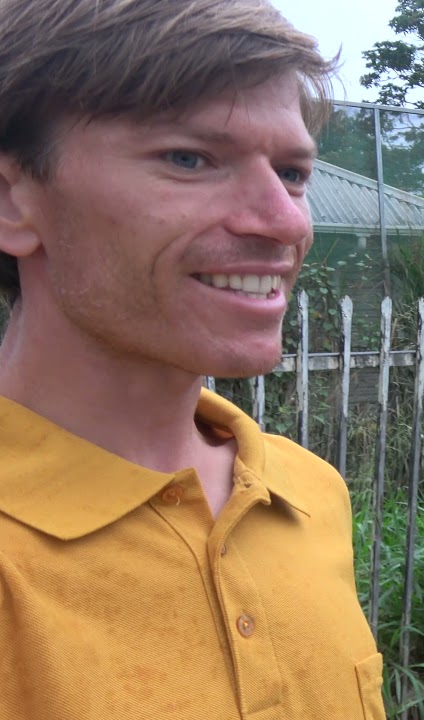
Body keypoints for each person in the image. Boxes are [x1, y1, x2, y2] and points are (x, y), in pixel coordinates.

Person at [0, 1, 386, 718]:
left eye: (293, 172)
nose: (285, 221)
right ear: (12, 200)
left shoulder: (308, 493)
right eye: (189, 159)